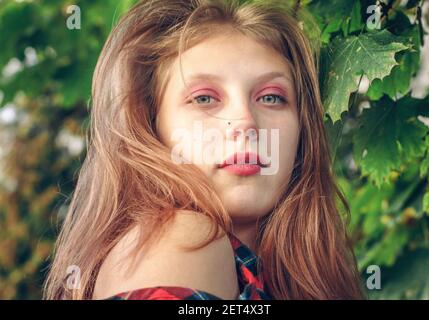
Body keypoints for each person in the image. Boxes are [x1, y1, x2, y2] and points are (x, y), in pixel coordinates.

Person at [43, 0, 365, 300]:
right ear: (151, 128)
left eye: (270, 97)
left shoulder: (291, 273)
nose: (245, 122)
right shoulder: (182, 239)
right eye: (204, 98)